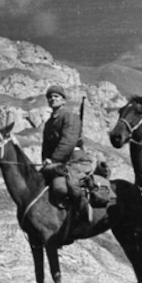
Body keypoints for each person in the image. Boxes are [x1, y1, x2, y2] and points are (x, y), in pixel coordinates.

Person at [41, 84, 93, 225]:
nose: (53, 99)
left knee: (65, 186)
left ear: (64, 100)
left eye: (56, 96)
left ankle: (82, 213)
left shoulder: (70, 117)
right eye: (50, 97)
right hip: (58, 162)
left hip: (75, 160)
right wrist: (45, 161)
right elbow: (46, 146)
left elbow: (68, 141)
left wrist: (53, 160)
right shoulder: (49, 123)